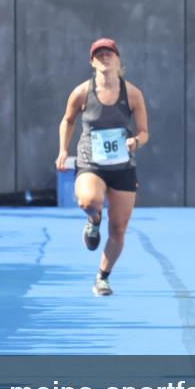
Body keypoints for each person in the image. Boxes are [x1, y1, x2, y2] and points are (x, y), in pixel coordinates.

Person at [55, 38, 148, 296]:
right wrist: (63, 150)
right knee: (88, 200)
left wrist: (136, 141)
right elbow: (68, 120)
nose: (104, 58)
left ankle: (103, 277)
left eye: (109, 54)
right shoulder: (82, 92)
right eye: (99, 55)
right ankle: (93, 219)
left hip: (122, 165)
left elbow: (144, 132)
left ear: (118, 60)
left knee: (118, 229)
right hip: (91, 161)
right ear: (92, 62)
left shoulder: (132, 93)